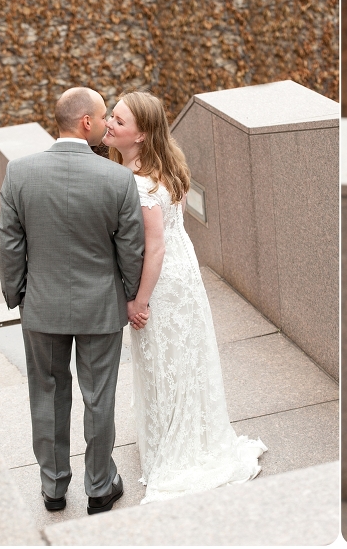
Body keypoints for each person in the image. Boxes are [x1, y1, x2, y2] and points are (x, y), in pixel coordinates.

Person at [101, 90, 267, 504]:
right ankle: (182, 434)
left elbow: (153, 248)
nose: (108, 122)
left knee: (165, 361)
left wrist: (139, 300)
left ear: (140, 136)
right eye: (110, 116)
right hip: (182, 273)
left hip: (162, 282)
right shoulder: (162, 167)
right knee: (180, 359)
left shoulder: (139, 183)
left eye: (118, 121)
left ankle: (177, 447)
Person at [0, 87, 144, 515]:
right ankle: (100, 486)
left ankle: (54, 488)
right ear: (85, 123)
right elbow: (131, 250)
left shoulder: (19, 173)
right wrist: (129, 295)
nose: (106, 124)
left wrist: (18, 295)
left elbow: (11, 245)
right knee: (100, 397)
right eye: (103, 117)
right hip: (100, 306)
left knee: (46, 393)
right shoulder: (117, 178)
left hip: (41, 306)